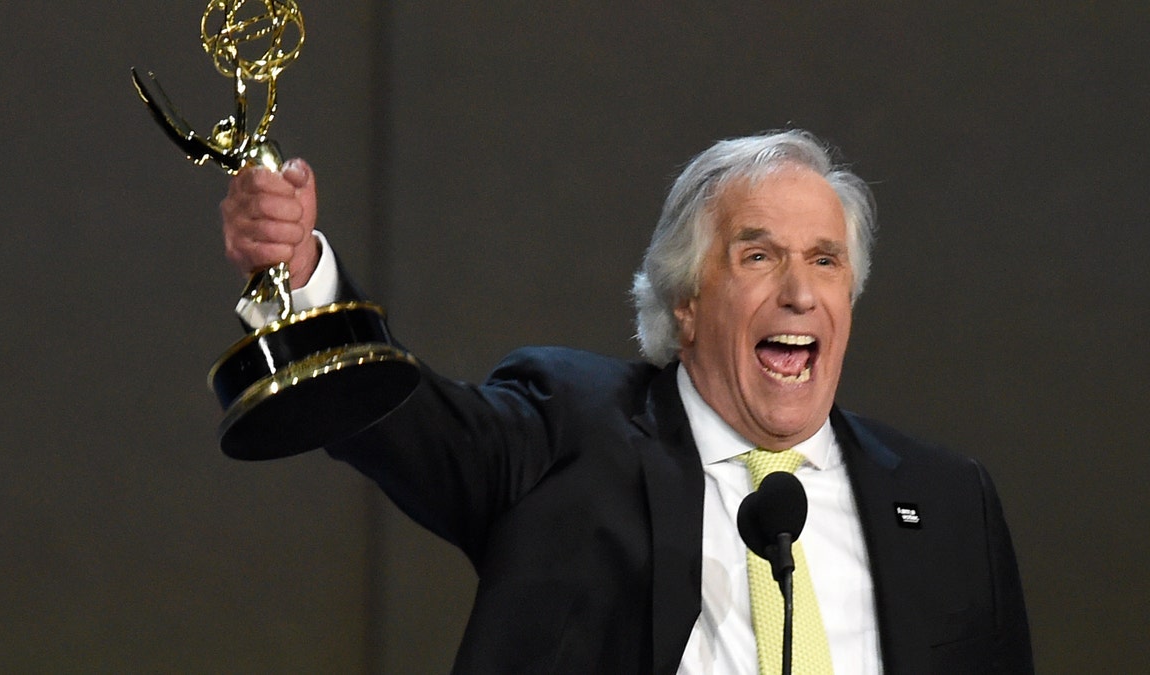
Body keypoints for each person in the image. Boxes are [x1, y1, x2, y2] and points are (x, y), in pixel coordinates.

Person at [220, 130, 1033, 673]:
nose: (798, 293)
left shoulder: (949, 500)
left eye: (825, 261)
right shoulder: (565, 434)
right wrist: (300, 280)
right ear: (685, 301)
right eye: (759, 255)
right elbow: (408, 423)